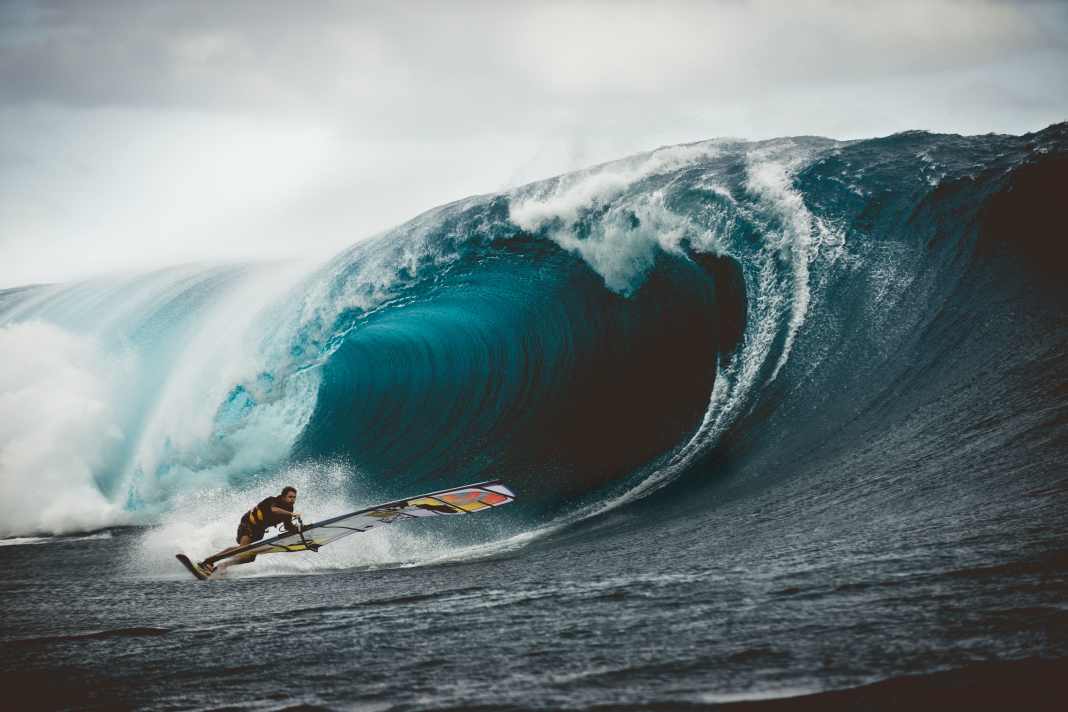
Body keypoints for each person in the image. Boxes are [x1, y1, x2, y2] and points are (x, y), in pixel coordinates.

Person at [199, 486, 303, 576]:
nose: (292, 500)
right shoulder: (272, 500)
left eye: (294, 497)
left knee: (249, 557)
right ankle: (207, 562)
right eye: (290, 497)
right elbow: (273, 510)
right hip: (248, 524)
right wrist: (291, 514)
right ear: (283, 496)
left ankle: (223, 565)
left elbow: (288, 526)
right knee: (242, 550)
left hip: (259, 531)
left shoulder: (289, 509)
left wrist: (299, 529)